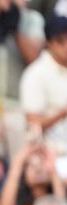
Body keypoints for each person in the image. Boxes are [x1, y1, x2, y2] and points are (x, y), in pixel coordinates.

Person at [20, 15, 67, 157]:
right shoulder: (35, 74)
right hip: (51, 154)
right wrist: (62, 113)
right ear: (49, 43)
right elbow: (33, 124)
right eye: (60, 41)